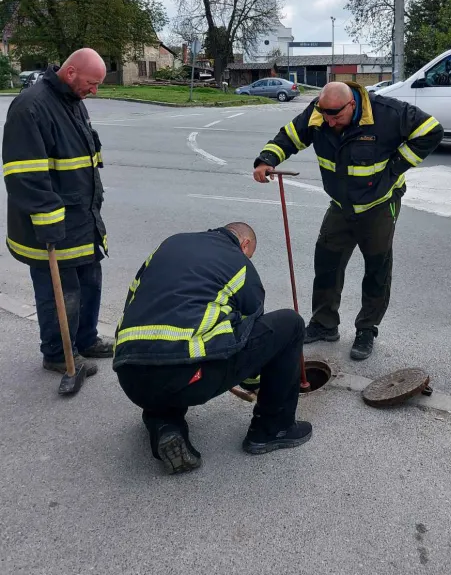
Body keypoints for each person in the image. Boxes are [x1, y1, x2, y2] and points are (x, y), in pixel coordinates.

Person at [253, 81, 443, 361]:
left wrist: (395, 167)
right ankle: (324, 324)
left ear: (352, 104)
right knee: (327, 263)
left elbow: (431, 131)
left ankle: (367, 329)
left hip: (379, 205)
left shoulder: (387, 113)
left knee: (377, 268)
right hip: (341, 206)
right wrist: (266, 159)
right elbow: (291, 136)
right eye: (325, 115)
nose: (329, 121)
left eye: (336, 116)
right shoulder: (320, 113)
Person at [113, 223, 311, 474]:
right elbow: (252, 329)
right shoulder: (238, 262)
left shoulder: (171, 243)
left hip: (130, 376)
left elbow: (133, 297)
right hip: (188, 375)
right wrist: (251, 380)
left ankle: (166, 428)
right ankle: (272, 429)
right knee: (290, 323)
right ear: (245, 245)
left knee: (161, 377)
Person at [2, 49, 113, 376]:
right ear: (71, 73)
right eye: (92, 83)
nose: (95, 91)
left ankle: (86, 339)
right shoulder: (31, 107)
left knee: (90, 282)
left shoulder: (71, 100)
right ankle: (56, 353)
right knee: (60, 294)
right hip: (52, 226)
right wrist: (49, 224)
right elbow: (25, 175)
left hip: (83, 219)